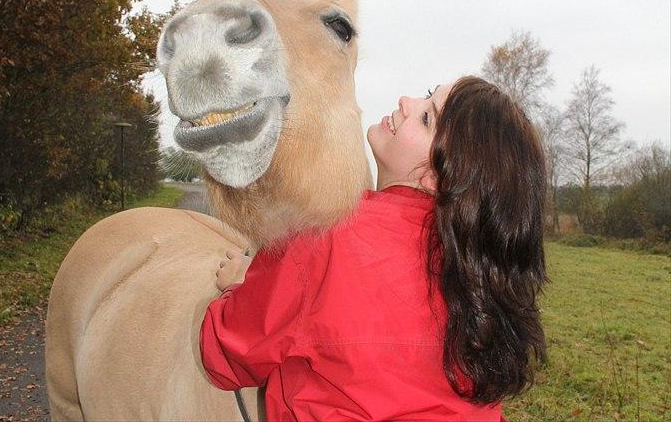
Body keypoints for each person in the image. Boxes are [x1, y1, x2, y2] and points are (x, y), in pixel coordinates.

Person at [199, 76, 547, 421]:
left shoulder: (325, 234)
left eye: (427, 118)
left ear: (437, 177)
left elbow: (222, 356)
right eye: (426, 94)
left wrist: (248, 288)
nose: (405, 101)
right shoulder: (482, 277)